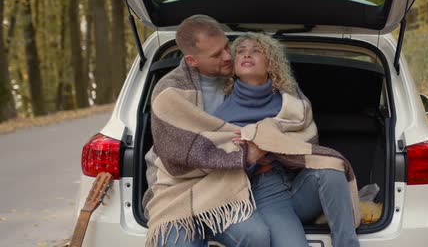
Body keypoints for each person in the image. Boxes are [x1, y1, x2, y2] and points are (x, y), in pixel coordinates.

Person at [213, 32, 361, 247]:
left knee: (332, 166)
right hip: (264, 188)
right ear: (233, 66)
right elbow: (217, 161)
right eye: (241, 51)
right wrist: (253, 153)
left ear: (271, 63)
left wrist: (274, 145)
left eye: (256, 51)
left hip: (298, 181)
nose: (247, 54)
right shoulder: (221, 108)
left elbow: (307, 141)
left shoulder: (291, 101)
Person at [143, 15, 269, 247]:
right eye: (216, 55)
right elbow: (177, 154)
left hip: (226, 183)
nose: (227, 56)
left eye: (226, 47)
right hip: (177, 187)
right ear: (191, 60)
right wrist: (243, 155)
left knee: (256, 236)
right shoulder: (170, 91)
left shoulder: (243, 77)